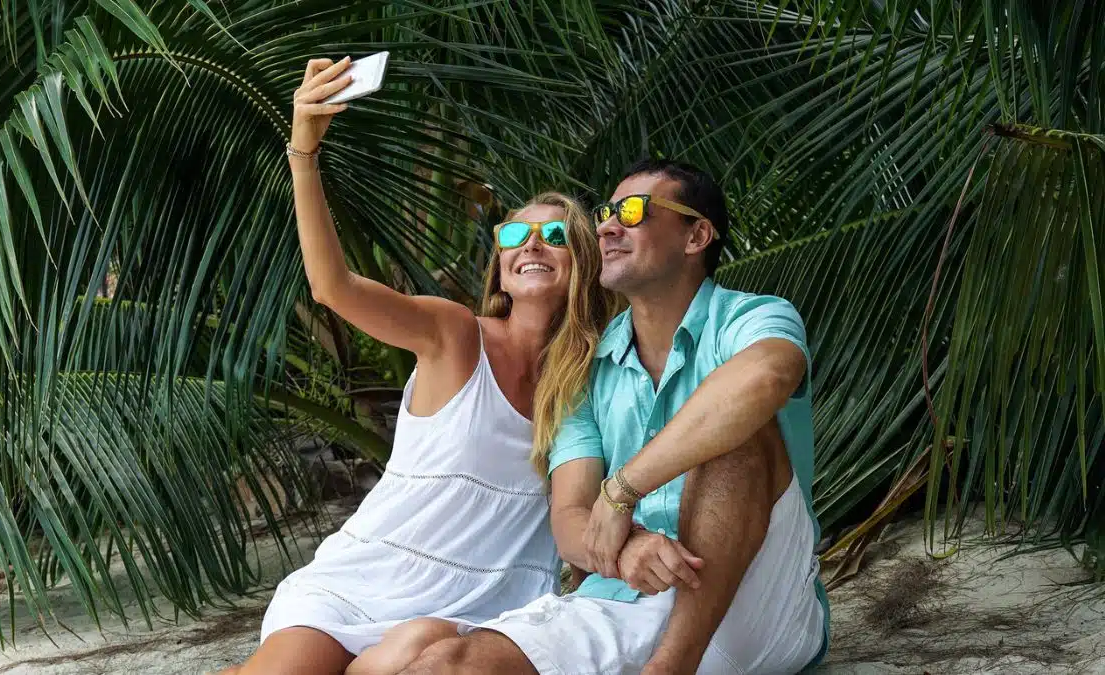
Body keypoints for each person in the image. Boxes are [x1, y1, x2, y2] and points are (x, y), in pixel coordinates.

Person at [215, 57, 616, 675]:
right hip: (364, 579)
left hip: (474, 612)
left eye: (555, 236)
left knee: (420, 647)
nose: (531, 245)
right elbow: (332, 286)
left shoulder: (595, 380)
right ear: (501, 266)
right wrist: (303, 153)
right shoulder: (454, 335)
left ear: (583, 265)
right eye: (514, 237)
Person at [392, 159, 831, 675]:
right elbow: (571, 519)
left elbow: (764, 379)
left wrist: (623, 488)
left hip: (758, 599)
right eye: (605, 212)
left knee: (733, 432)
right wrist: (624, 554)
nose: (605, 226)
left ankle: (671, 668)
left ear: (696, 236)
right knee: (449, 662)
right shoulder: (588, 369)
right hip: (629, 595)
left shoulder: (752, 317)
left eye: (633, 210)